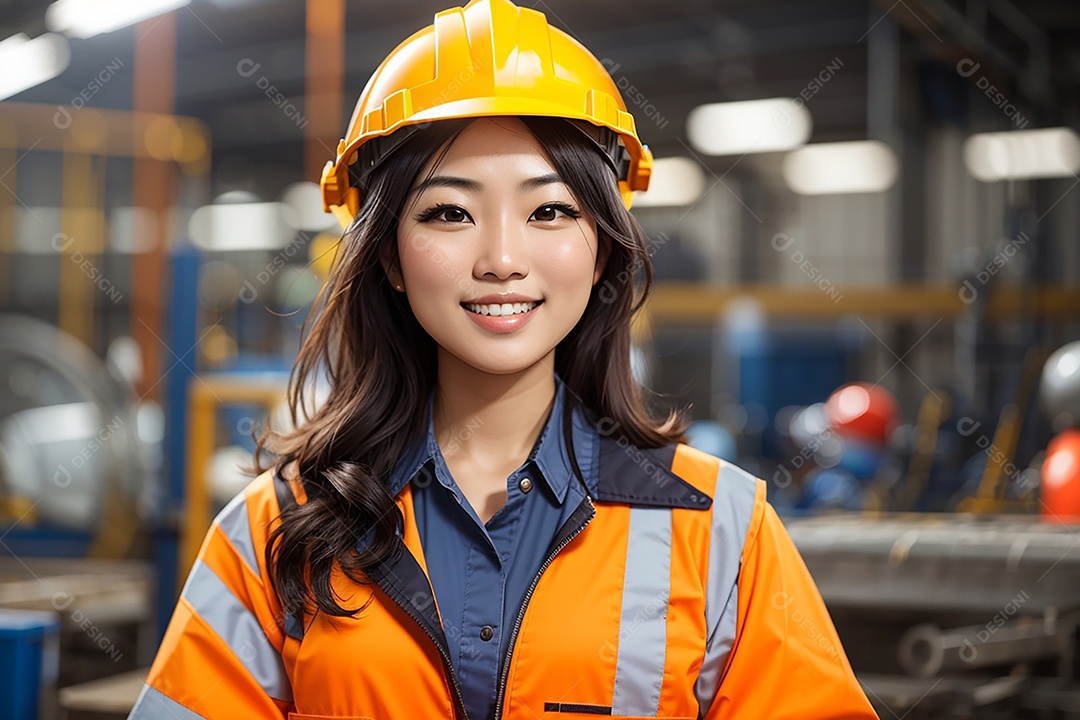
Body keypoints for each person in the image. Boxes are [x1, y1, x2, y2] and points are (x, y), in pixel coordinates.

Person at [128, 0, 878, 718]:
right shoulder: (273, 529)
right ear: (388, 256)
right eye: (449, 212)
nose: (502, 259)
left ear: (601, 247)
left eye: (548, 209)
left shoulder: (720, 529)